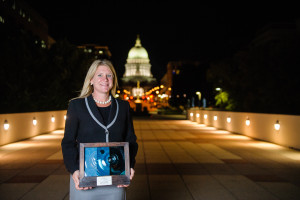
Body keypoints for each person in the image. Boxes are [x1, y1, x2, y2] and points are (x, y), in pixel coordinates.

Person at [61, 59, 138, 200]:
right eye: (99, 75)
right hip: (85, 182)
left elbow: (130, 139)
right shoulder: (76, 106)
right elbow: (68, 142)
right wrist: (74, 170)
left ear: (113, 80)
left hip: (115, 181)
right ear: (91, 80)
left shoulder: (123, 107)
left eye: (109, 75)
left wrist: (130, 165)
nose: (105, 79)